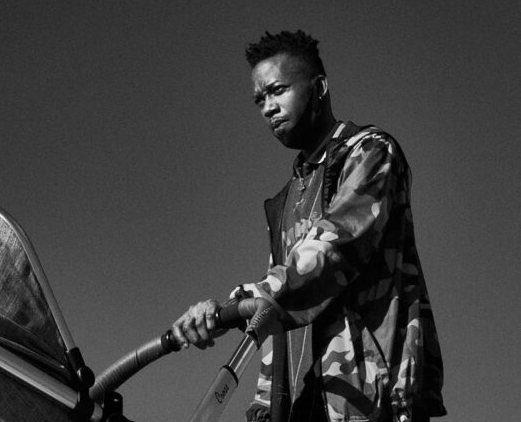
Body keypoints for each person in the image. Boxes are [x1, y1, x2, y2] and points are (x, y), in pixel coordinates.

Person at [171, 31, 445, 422]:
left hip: (371, 398)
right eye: (259, 99)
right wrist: (265, 407)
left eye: (277, 90)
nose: (268, 107)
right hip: (309, 405)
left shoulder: (370, 152)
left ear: (318, 88)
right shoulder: (287, 202)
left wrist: (233, 306)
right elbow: (273, 314)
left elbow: (331, 250)